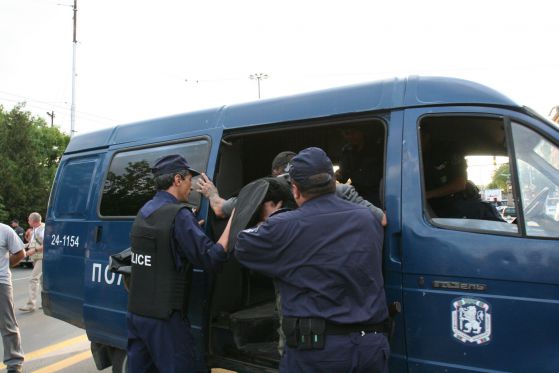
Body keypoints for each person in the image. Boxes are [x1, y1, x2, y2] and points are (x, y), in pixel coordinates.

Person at [234, 147, 390, 373]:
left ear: (295, 190)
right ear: (334, 182)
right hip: (371, 349)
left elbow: (241, 245)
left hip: (319, 353)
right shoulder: (367, 219)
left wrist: (270, 219)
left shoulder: (284, 226)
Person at [126, 154, 233, 373]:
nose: (191, 187)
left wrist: (188, 226)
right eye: (188, 180)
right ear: (177, 179)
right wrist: (235, 221)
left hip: (137, 315)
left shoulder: (145, 210)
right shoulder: (179, 216)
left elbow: (163, 243)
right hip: (165, 320)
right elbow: (211, 258)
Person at [196, 150, 387, 226]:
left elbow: (220, 209)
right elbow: (382, 220)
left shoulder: (265, 192)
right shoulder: (343, 192)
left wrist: (212, 193)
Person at [0, 223, 26, 373]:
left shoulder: (5, 230)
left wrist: (4, 265)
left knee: (7, 325)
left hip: (1, 283)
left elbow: (20, 253)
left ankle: (14, 364)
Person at [338, 127, 384, 207]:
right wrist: (337, 175)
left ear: (361, 132)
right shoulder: (347, 151)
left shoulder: (377, 148)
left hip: (376, 193)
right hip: (357, 194)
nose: (350, 136)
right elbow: (343, 178)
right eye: (347, 134)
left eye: (353, 133)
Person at [19, 212, 45, 312]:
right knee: (42, 280)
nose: (28, 221)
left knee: (33, 279)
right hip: (37, 257)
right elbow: (32, 242)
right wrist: (22, 246)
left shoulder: (43, 229)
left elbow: (47, 245)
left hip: (42, 258)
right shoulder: (36, 229)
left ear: (33, 221)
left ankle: (31, 304)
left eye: (29, 219)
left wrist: (34, 250)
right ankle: (46, 302)